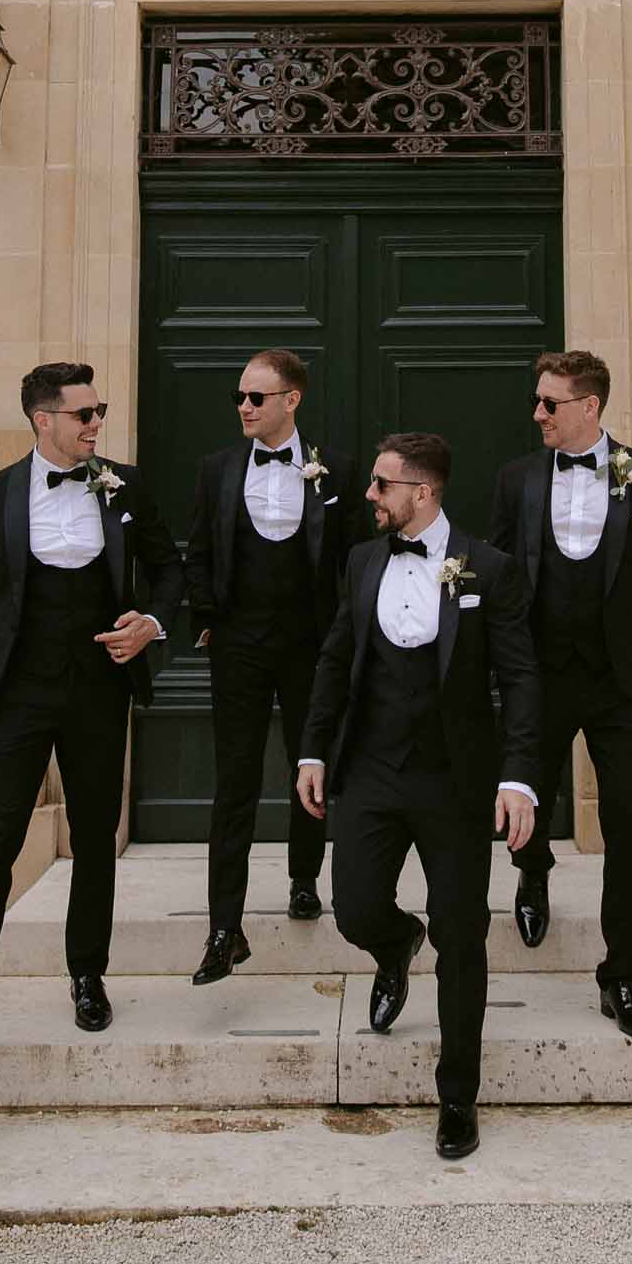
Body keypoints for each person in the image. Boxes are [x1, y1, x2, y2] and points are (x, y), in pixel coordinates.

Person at [0, 362, 184, 1090]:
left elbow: (171, 573)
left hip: (99, 690)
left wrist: (153, 623)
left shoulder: (125, 485)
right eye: (84, 414)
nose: (96, 423)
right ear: (44, 419)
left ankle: (87, 976)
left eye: (98, 411)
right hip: (19, 696)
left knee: (97, 839)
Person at [297, 432, 539, 1160]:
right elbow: (337, 658)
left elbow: (521, 678)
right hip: (371, 768)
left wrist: (518, 776)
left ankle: (457, 1096)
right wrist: (312, 747)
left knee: (461, 936)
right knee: (355, 907)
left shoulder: (489, 570)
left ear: (421, 492)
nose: (368, 495)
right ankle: (397, 942)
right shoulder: (362, 561)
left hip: (454, 778)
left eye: (379, 484)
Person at [490, 349, 632, 1039]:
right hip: (540, 678)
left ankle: (622, 975)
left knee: (629, 827)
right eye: (536, 400)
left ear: (589, 407)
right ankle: (532, 869)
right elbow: (494, 580)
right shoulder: (515, 479)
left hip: (628, 684)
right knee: (524, 798)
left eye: (549, 403)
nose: (537, 414)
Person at [185, 349, 363, 984]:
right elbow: (199, 550)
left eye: (256, 397)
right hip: (240, 648)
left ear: (291, 401)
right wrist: (209, 616)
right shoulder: (218, 469)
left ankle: (304, 879)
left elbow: (352, 561)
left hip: (312, 647)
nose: (244, 407)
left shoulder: (335, 469)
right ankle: (223, 927)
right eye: (240, 396)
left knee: (306, 767)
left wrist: (343, 638)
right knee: (233, 782)